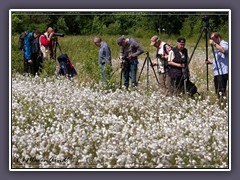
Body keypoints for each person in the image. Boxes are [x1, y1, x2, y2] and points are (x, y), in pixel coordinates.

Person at [206, 32, 229, 99]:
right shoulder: (218, 46)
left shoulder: (224, 44)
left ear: (218, 37)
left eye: (213, 39)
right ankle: (222, 102)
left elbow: (224, 50)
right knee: (218, 91)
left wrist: (214, 44)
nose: (212, 40)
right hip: (218, 72)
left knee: (221, 91)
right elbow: (220, 60)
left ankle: (223, 103)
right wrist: (210, 62)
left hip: (222, 72)